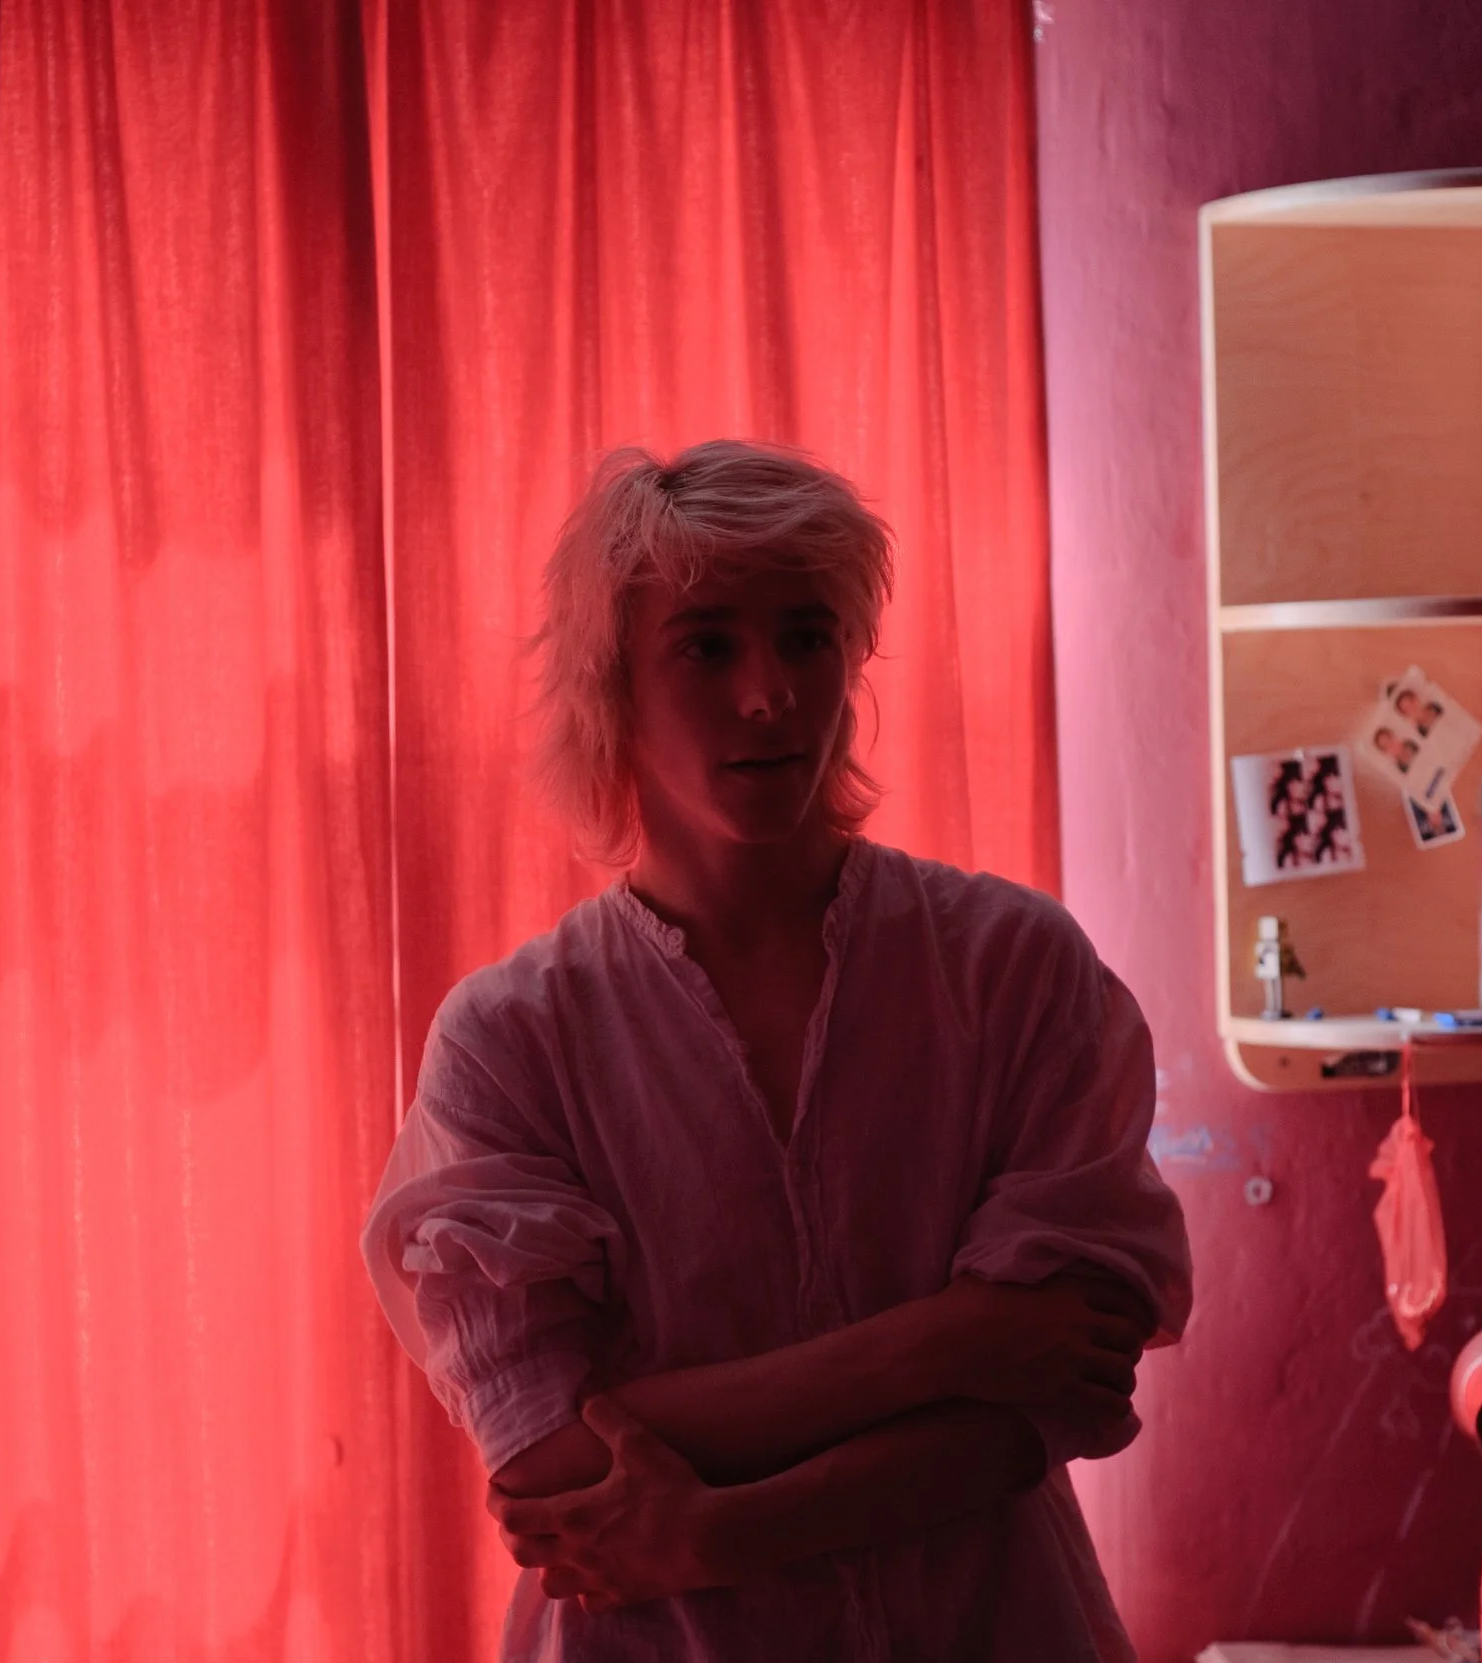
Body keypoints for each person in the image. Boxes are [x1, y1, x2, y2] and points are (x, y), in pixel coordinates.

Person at [361, 440, 1193, 1662]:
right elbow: (549, 1451)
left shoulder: (1012, 965)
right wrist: (946, 1339)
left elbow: (1062, 1381)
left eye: (807, 637)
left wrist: (713, 1534)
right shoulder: (513, 1035)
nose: (770, 694)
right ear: (612, 689)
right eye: (706, 645)